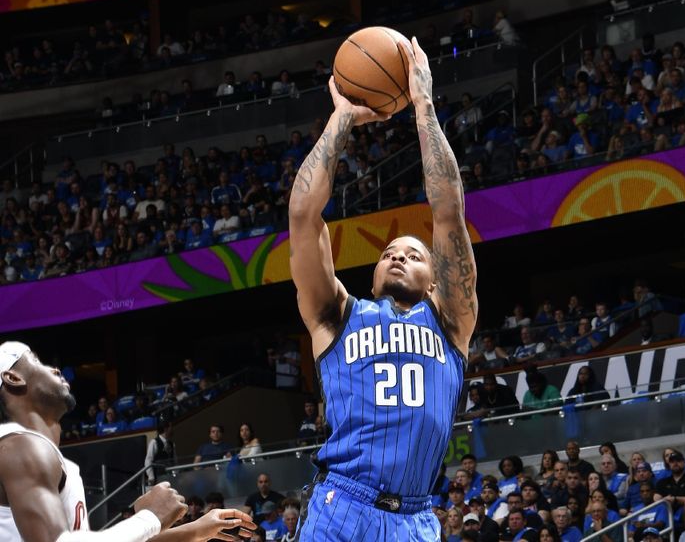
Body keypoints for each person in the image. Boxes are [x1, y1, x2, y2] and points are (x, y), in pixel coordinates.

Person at [291, 40, 478, 541]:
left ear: (437, 278)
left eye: (414, 254)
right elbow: (304, 218)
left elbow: (448, 213)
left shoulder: (450, 320)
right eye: (388, 252)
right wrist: (342, 118)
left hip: (416, 519)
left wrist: (425, 109)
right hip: (341, 505)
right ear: (373, 275)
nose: (397, 255)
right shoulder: (336, 315)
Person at [0, 341, 255, 542]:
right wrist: (149, 517)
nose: (54, 368)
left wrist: (196, 530)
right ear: (13, 377)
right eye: (34, 360)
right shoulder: (21, 447)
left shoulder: (32, 452)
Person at [653, 451, 685, 527]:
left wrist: (676, 499)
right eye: (672, 461)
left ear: (684, 462)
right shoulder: (663, 481)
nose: (675, 463)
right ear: (669, 464)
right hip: (668, 511)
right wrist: (666, 500)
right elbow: (656, 498)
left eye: (678, 460)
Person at [145, 422, 176, 486]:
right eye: (171, 427)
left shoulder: (172, 444)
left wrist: (176, 473)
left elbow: (175, 461)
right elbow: (148, 460)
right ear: (165, 429)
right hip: (158, 478)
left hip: (170, 477)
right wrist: (151, 477)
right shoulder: (154, 442)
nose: (173, 429)